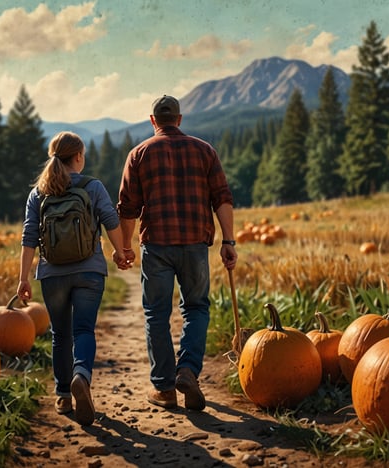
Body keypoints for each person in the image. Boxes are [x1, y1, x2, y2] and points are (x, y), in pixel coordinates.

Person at [117, 95, 238, 411]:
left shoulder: (138, 154)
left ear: (153, 120)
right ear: (180, 120)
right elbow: (222, 198)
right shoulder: (204, 151)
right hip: (195, 245)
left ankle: (165, 389)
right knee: (196, 308)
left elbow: (127, 208)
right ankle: (187, 370)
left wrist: (126, 247)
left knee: (157, 313)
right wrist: (229, 241)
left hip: (156, 246)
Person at [17, 131, 131, 426]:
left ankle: (64, 395)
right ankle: (82, 375)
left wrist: (24, 279)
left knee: (60, 335)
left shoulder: (38, 193)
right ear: (78, 157)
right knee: (83, 330)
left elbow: (29, 236)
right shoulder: (92, 186)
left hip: (52, 274)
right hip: (89, 271)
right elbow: (110, 220)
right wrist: (121, 253)